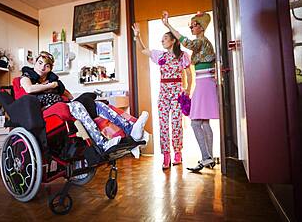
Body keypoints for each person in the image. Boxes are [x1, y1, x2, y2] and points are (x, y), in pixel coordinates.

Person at [20, 51, 149, 152]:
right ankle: (102, 143)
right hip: (47, 111)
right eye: (40, 63)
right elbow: (29, 89)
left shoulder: (54, 81)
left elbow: (68, 95)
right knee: (77, 105)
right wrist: (51, 86)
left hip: (63, 106)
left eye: (47, 65)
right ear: (35, 63)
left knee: (96, 104)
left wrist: (72, 98)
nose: (42, 67)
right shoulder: (27, 77)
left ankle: (131, 129)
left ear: (50, 69)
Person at [161, 11, 219, 172]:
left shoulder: (200, 41)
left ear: (201, 27)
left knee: (195, 123)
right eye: (191, 25)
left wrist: (168, 25)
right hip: (205, 82)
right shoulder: (203, 42)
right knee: (204, 122)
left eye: (194, 25)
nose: (191, 27)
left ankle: (206, 157)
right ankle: (209, 158)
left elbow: (185, 41)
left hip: (204, 83)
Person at [132, 22, 192, 170]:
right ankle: (166, 155)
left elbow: (189, 74)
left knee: (177, 124)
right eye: (162, 39)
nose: (162, 40)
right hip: (163, 94)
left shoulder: (182, 55)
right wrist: (138, 36)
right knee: (164, 125)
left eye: (165, 38)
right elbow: (144, 50)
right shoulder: (160, 55)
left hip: (177, 93)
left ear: (173, 41)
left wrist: (188, 89)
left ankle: (178, 152)